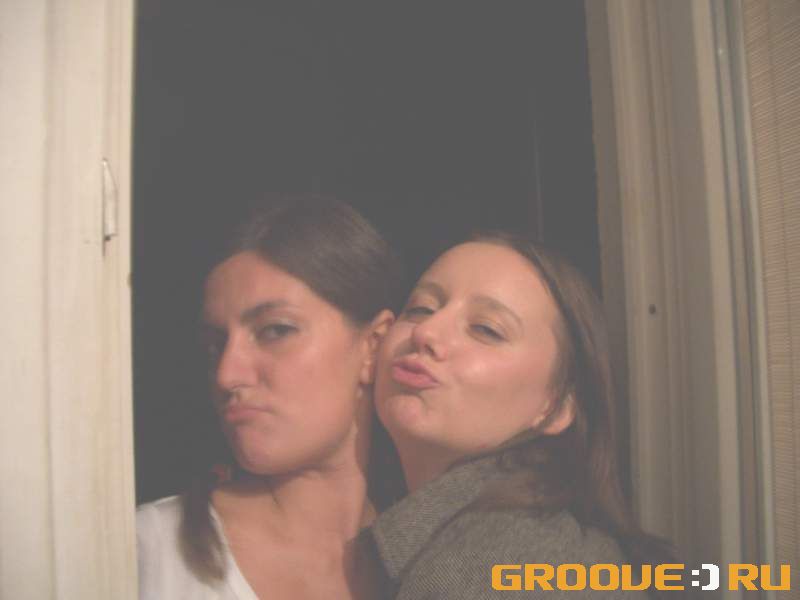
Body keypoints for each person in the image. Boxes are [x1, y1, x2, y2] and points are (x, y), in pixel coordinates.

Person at [370, 233, 676, 599]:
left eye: (486, 329)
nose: (426, 331)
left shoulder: (495, 564)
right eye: (420, 309)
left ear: (556, 405)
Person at [136, 195, 402, 599]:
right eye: (215, 346)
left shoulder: (438, 566)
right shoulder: (147, 551)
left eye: (275, 330)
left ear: (372, 346)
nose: (226, 375)